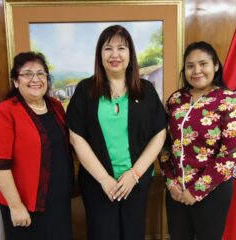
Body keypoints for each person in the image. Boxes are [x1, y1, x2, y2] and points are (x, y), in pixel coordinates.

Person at [66, 25, 167, 240]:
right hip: (97, 183)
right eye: (107, 48)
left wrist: (134, 174)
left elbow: (159, 133)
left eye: (121, 48)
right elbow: (76, 137)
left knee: (133, 234)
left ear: (130, 54)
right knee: (102, 234)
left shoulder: (146, 90)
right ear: (99, 55)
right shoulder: (85, 90)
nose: (114, 54)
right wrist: (104, 179)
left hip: (136, 182)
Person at [159, 41, 236, 240]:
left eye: (203, 64)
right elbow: (164, 145)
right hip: (176, 192)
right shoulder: (175, 100)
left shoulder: (230, 101)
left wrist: (197, 190)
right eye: (190, 66)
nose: (196, 71)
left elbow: (231, 153)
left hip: (212, 192)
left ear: (215, 65)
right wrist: (171, 183)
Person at [0, 52, 73, 239]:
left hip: (58, 201)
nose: (35, 79)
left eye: (41, 73)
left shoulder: (56, 107)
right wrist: (16, 207)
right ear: (16, 81)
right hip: (25, 205)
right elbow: (0, 167)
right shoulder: (5, 111)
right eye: (27, 73)